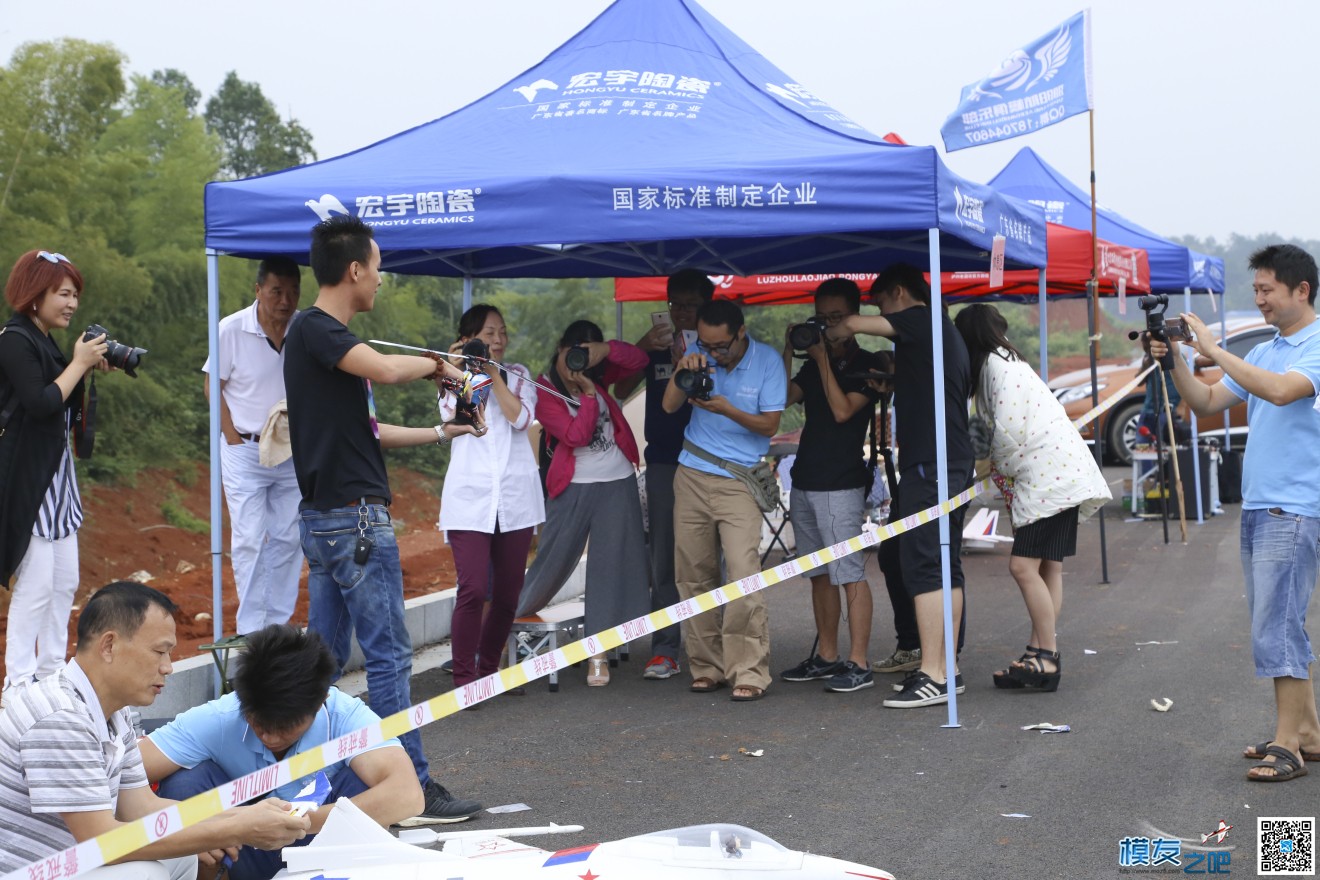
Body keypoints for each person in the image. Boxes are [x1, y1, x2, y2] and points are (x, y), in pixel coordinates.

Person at [283, 214, 482, 821]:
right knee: (390, 660)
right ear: (353, 270)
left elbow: (370, 432)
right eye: (376, 266)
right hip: (354, 525)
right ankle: (413, 787)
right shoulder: (318, 330)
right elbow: (393, 370)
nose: (380, 278)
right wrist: (443, 367)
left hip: (332, 524)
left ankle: (309, 782)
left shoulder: (319, 342)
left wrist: (444, 430)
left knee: (322, 663)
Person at [0, 581, 310, 879]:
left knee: (183, 854)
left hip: (71, 864)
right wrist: (234, 828)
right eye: (160, 652)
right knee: (146, 873)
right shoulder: (61, 716)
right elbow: (99, 842)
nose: (168, 667)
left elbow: (141, 807)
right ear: (109, 645)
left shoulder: (112, 711)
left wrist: (241, 816)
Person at [1153, 244, 1320, 783]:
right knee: (1277, 623)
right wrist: (1173, 358)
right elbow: (1204, 404)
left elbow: (1277, 392)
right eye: (1257, 290)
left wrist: (1213, 347)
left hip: (1293, 508)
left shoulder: (1314, 347)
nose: (1261, 299)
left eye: (1268, 289)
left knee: (1278, 627)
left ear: (1303, 290)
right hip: (1261, 507)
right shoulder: (1270, 347)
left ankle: (1287, 745)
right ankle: (1308, 734)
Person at [140, 624, 424, 880]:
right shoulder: (219, 718)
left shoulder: (346, 716)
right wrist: (209, 828)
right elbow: (122, 774)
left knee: (362, 783)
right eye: (258, 722)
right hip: (239, 848)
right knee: (185, 782)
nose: (270, 736)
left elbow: (407, 796)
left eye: (286, 725)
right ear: (241, 696)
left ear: (320, 700)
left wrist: (295, 823)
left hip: (321, 845)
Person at [829, 263, 973, 708]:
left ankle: (935, 673)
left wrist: (833, 328)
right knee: (929, 560)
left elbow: (853, 324)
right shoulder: (939, 333)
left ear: (897, 292)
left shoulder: (922, 316)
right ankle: (942, 666)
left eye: (880, 302)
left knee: (928, 564)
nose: (878, 311)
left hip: (933, 463)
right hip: (940, 462)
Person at [955, 303, 1111, 692]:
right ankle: (1037, 652)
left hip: (1048, 481)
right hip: (1063, 475)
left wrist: (987, 466)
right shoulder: (1011, 361)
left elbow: (1005, 434)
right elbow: (988, 426)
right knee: (1047, 569)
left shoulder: (994, 367)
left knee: (1023, 568)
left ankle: (1047, 659)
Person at [515, 320, 650, 686]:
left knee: (607, 571)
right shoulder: (542, 388)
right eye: (572, 351)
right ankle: (492, 635)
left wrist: (604, 351)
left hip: (616, 482)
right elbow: (576, 434)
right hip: (572, 486)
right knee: (549, 564)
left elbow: (639, 360)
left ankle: (597, 655)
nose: (576, 362)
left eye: (585, 354)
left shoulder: (597, 375)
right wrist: (588, 396)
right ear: (560, 348)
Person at [664, 299, 786, 702]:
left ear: (741, 332)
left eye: (721, 346)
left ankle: (748, 669)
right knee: (694, 574)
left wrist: (726, 409)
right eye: (706, 344)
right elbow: (668, 406)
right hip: (693, 473)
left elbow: (770, 423)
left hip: (739, 480)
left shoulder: (767, 362)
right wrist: (683, 368)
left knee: (743, 573)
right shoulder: (699, 359)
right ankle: (706, 666)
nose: (714, 353)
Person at [0, 249, 107, 699]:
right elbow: (41, 403)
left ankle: (50, 676)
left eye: (74, 295)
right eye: (63, 293)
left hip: (56, 477)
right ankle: (19, 684)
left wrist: (85, 366)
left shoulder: (43, 338)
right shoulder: (13, 339)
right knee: (36, 586)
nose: (71, 304)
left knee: (64, 580)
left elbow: (61, 399)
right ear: (34, 293)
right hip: (28, 475)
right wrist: (78, 364)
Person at [776, 279, 883, 694]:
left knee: (849, 573)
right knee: (818, 574)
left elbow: (842, 411)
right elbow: (782, 399)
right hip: (805, 479)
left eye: (837, 318)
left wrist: (823, 360)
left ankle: (858, 661)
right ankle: (826, 654)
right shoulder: (810, 360)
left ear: (854, 319)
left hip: (841, 483)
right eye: (821, 318)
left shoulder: (867, 363)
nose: (828, 325)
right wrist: (790, 349)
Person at [614, 269, 714, 681]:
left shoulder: (721, 348)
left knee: (710, 559)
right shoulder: (655, 348)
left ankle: (711, 646)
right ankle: (665, 647)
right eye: (677, 304)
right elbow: (620, 390)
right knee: (665, 560)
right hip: (664, 464)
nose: (683, 313)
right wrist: (641, 347)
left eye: (692, 305)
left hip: (710, 464)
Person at [438, 305, 544, 692]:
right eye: (488, 333)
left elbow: (520, 419)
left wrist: (495, 375)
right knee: (472, 588)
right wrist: (461, 372)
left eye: (501, 332)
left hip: (516, 498)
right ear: (468, 340)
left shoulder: (519, 375)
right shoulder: (453, 377)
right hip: (470, 497)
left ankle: (487, 673)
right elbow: (465, 419)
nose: (497, 340)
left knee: (507, 593)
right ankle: (465, 680)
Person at [203, 256, 304, 636]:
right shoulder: (231, 329)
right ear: (258, 289)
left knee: (288, 536)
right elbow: (213, 385)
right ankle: (251, 631)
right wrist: (230, 434)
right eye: (276, 291)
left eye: (293, 292)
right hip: (244, 447)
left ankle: (276, 625)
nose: (285, 300)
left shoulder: (303, 329)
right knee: (248, 538)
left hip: (291, 448)